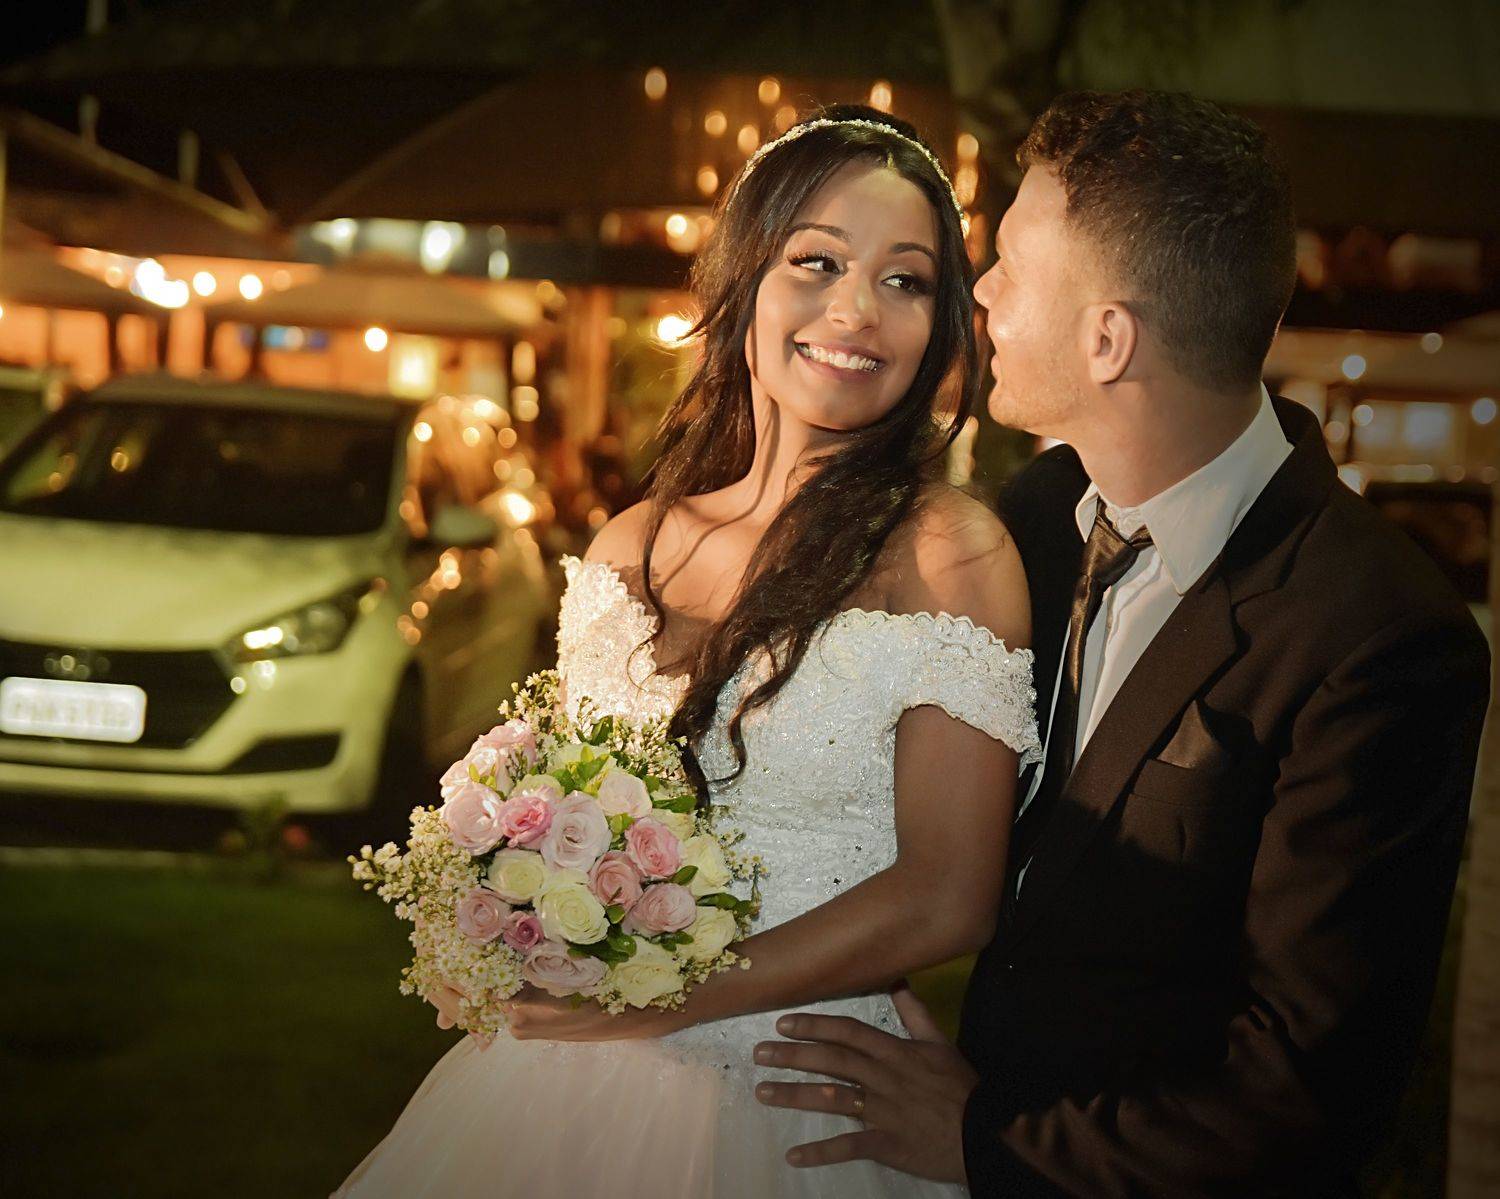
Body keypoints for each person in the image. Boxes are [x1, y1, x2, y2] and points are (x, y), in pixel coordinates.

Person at [753, 89, 1492, 1196]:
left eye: (1010, 266)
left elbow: (1309, 1095)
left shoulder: (1377, 631)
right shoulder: (1035, 523)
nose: (979, 293)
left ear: (1108, 339)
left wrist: (986, 1142)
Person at [334, 105, 1041, 1198]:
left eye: (905, 280)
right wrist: (499, 927)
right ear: (745, 277)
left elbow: (949, 892)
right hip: (551, 1091)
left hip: (795, 1090)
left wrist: (657, 998)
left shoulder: (949, 551)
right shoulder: (633, 543)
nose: (857, 309)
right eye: (817, 261)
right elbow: (569, 800)